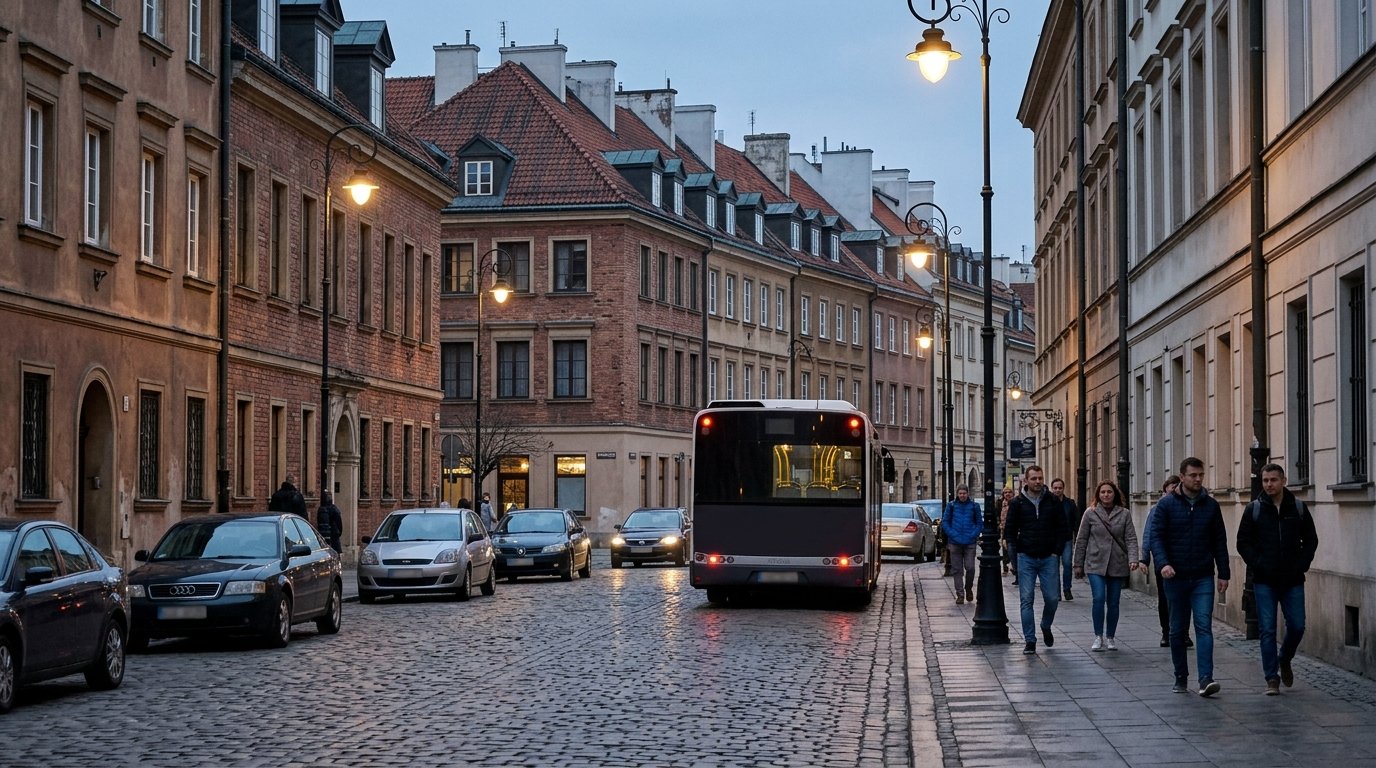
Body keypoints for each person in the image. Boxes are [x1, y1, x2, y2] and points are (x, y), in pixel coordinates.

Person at [1150, 456, 1231, 697]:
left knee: (1203, 625)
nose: (1198, 479)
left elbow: (1219, 540)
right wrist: (1163, 563)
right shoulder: (1166, 505)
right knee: (1177, 629)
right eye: (1193, 475)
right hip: (1175, 576)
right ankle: (1180, 676)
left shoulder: (1211, 505)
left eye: (1201, 475)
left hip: (1202, 575)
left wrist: (1223, 572)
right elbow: (1157, 537)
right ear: (1182, 477)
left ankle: (1206, 678)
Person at [1237, 463, 1318, 695]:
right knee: (1267, 630)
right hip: (1264, 581)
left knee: (1297, 625)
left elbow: (1311, 540)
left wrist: (1301, 564)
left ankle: (1285, 657)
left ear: (1284, 480)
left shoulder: (1298, 508)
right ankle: (1271, 678)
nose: (1269, 484)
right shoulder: (1254, 509)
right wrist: (1259, 564)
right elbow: (1243, 542)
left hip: (1292, 580)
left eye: (1273, 480)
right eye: (1265, 480)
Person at [1003, 466, 1068, 655]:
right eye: (1034, 479)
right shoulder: (1018, 503)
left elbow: (1062, 528)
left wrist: (1056, 552)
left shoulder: (1053, 501)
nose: (1037, 481)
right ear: (1026, 481)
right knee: (1026, 599)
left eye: (1040, 478)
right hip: (1026, 557)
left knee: (1052, 598)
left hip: (1048, 557)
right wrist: (1014, 557)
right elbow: (1010, 531)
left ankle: (1045, 625)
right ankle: (1029, 640)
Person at [1072, 480, 1139, 651]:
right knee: (1099, 598)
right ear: (1098, 495)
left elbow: (1130, 538)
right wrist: (1077, 564)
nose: (1106, 495)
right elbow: (1081, 539)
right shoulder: (1091, 513)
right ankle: (1097, 635)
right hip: (1096, 562)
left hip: (1116, 562)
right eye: (1103, 492)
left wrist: (1133, 558)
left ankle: (1110, 636)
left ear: (1115, 494)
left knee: (1114, 602)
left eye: (1109, 492)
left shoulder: (1124, 514)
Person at [1140, 475, 1191, 648]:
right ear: (1165, 489)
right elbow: (1149, 534)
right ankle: (1166, 632)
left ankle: (1183, 632)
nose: (1174, 488)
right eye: (1171, 486)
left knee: (1185, 599)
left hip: (1183, 560)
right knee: (1165, 599)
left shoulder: (1188, 506)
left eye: (1177, 486)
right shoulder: (1158, 509)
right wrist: (1144, 558)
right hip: (1163, 560)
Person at [943, 485, 982, 605]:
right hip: (955, 542)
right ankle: (960, 594)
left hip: (969, 541)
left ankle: (968, 587)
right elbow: (945, 522)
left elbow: (979, 523)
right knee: (957, 570)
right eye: (960, 493)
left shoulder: (974, 506)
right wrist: (953, 534)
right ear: (957, 494)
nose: (962, 495)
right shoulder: (952, 506)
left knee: (970, 567)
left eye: (964, 493)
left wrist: (973, 534)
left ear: (968, 493)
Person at [1050, 477, 1082, 601]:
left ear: (1063, 489)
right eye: (1055, 488)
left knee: (1067, 563)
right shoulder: (1048, 503)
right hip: (1052, 539)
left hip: (1067, 538)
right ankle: (1057, 592)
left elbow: (1075, 521)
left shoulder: (1070, 503)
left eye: (1060, 488)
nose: (1057, 490)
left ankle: (1067, 588)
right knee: (1054, 566)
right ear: (1052, 489)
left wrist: (1076, 536)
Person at [998, 485, 1016, 582]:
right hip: (1003, 528)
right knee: (1005, 548)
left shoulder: (1016, 502)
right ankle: (1005, 567)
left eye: (1009, 492)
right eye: (1005, 492)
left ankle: (1014, 566)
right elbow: (997, 514)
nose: (1007, 494)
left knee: (1012, 548)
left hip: (1013, 529)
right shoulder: (1000, 503)